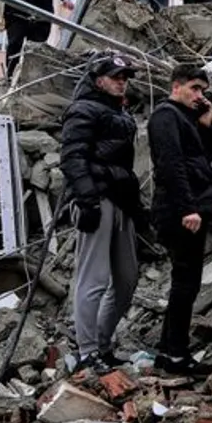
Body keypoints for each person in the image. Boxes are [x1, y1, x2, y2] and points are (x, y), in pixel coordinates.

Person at [61, 55, 142, 374]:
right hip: (96, 197)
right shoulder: (83, 109)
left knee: (127, 279)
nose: (122, 79)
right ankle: (87, 351)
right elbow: (71, 157)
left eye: (125, 75)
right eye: (115, 75)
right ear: (98, 80)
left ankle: (102, 344)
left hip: (120, 199)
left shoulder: (117, 110)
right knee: (92, 278)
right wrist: (87, 199)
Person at [148, 64, 212, 376]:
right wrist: (187, 208)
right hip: (180, 212)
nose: (199, 95)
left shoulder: (185, 118)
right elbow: (171, 164)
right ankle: (176, 354)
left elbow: (199, 160)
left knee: (186, 283)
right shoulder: (166, 115)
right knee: (185, 283)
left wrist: (204, 125)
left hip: (191, 209)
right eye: (194, 88)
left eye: (202, 90)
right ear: (176, 86)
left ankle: (169, 351)